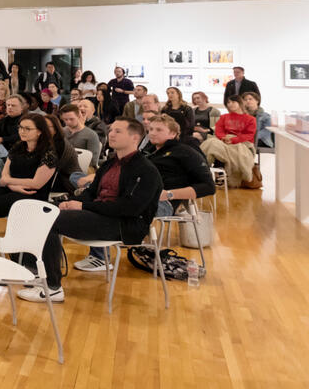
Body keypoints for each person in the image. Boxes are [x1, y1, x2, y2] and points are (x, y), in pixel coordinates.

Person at [18, 118, 162, 302]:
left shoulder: (145, 170)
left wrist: (83, 206)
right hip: (99, 214)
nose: (111, 134)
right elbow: (91, 193)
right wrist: (72, 202)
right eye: (111, 130)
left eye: (118, 131)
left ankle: (52, 288)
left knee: (50, 222)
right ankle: (35, 271)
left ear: (135, 138)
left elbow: (130, 208)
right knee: (39, 212)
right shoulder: (111, 163)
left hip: (124, 224)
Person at [74, 114, 215, 272]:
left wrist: (170, 194)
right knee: (79, 179)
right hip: (132, 194)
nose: (153, 133)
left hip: (160, 201)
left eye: (159, 130)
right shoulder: (148, 152)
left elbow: (209, 187)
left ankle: (100, 257)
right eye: (151, 129)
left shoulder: (185, 152)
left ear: (173, 134)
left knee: (107, 206)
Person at [0, 115, 58, 252]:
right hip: (13, 189)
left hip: (33, 195)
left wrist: (9, 182)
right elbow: (3, 178)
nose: (22, 131)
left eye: (27, 129)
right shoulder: (18, 146)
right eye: (20, 128)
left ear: (39, 131)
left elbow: (36, 184)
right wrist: (13, 185)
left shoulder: (49, 153)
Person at [199, 95, 256, 188]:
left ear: (240, 103)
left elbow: (249, 135)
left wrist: (233, 140)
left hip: (242, 144)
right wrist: (223, 138)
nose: (230, 104)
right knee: (212, 143)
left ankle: (206, 172)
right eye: (228, 103)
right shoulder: (224, 117)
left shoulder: (250, 119)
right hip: (223, 141)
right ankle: (206, 171)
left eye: (233, 102)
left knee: (214, 145)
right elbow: (218, 130)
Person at [0, 94, 26, 187]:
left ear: (22, 108)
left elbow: (21, 137)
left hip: (18, 153)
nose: (10, 107)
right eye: (8, 105)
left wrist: (2, 139)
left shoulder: (26, 120)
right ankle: (5, 156)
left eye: (13, 105)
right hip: (2, 152)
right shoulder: (3, 120)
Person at [59, 102, 102, 177]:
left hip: (83, 168)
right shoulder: (62, 132)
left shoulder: (91, 135)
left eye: (71, 119)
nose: (68, 122)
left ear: (79, 116)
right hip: (64, 165)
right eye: (65, 119)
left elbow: (93, 161)